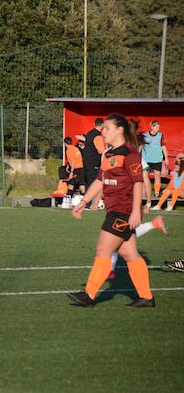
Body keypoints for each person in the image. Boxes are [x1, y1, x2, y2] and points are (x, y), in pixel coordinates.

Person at [67, 113, 155, 308]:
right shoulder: (108, 153)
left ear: (119, 130)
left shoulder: (130, 154)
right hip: (114, 210)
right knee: (129, 253)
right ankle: (147, 297)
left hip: (123, 211)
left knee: (102, 249)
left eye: (107, 128)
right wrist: (84, 201)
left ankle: (88, 295)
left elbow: (138, 182)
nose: (103, 131)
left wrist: (135, 211)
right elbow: (100, 180)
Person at [79, 118, 106, 209]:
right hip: (93, 162)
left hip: (86, 162)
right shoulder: (97, 136)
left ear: (94, 124)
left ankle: (89, 202)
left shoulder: (89, 133)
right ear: (102, 125)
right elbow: (101, 151)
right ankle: (88, 203)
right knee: (92, 183)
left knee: (89, 182)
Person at [142, 120, 168, 198]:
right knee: (144, 176)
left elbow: (163, 146)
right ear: (152, 127)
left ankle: (156, 193)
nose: (158, 129)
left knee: (157, 176)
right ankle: (145, 193)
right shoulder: (144, 135)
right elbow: (140, 146)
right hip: (146, 159)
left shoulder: (160, 135)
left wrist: (166, 158)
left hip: (157, 159)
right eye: (156, 127)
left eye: (158, 127)